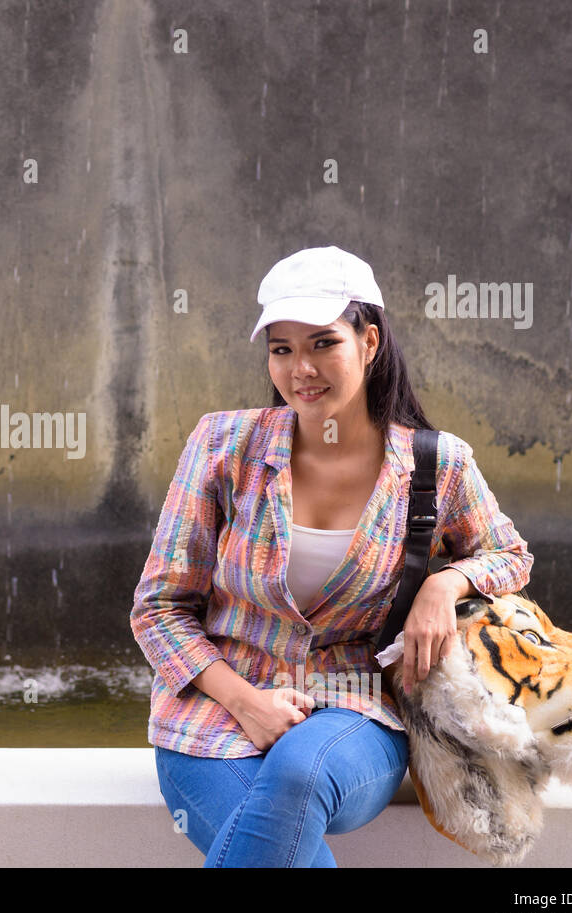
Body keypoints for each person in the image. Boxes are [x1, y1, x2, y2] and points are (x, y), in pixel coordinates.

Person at [130, 245, 533, 867]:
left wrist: (445, 584)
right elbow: (159, 608)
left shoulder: (435, 463)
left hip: (353, 709)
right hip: (211, 718)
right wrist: (247, 702)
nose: (300, 369)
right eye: (281, 349)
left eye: (323, 343)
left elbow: (507, 554)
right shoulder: (222, 445)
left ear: (369, 342)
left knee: (298, 771)